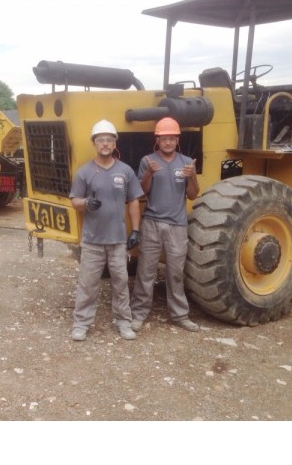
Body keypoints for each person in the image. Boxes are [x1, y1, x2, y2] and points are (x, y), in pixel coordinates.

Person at [69, 120, 144, 341]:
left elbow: (133, 202)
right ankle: (81, 323)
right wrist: (86, 203)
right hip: (92, 240)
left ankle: (123, 322)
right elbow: (74, 200)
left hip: (118, 240)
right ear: (94, 143)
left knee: (121, 283)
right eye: (100, 139)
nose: (105, 143)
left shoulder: (125, 171)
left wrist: (136, 231)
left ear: (114, 144)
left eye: (109, 140)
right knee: (88, 284)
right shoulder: (85, 172)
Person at [130, 117, 201, 332]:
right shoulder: (147, 161)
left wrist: (193, 177)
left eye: (171, 138)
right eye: (164, 139)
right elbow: (142, 191)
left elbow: (192, 194)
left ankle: (180, 315)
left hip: (178, 226)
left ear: (177, 139)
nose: (168, 142)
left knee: (176, 273)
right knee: (145, 271)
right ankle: (139, 313)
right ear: (157, 140)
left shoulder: (187, 162)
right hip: (152, 223)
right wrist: (150, 173)